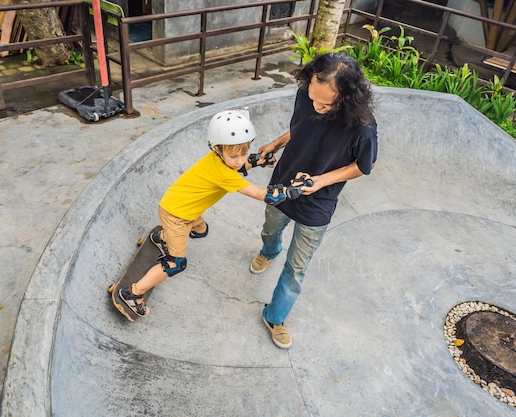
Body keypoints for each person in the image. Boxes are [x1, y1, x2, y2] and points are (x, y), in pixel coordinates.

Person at [250, 53, 378, 349]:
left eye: (326, 104)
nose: (317, 107)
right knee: (270, 229)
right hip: (283, 183)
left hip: (319, 201)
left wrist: (320, 181)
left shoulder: (363, 127)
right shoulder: (306, 95)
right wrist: (277, 143)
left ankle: (275, 316)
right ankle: (269, 251)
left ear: (347, 98)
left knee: (296, 267)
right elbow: (301, 127)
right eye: (313, 98)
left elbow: (363, 165)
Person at [118, 108, 283, 318]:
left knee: (200, 230)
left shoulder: (218, 160)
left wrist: (256, 160)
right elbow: (260, 194)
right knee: (177, 264)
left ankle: (162, 237)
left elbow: (236, 166)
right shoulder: (224, 173)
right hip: (177, 216)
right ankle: (133, 294)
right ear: (217, 149)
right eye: (234, 155)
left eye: (244, 153)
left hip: (183, 207)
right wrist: (287, 191)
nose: (240, 160)